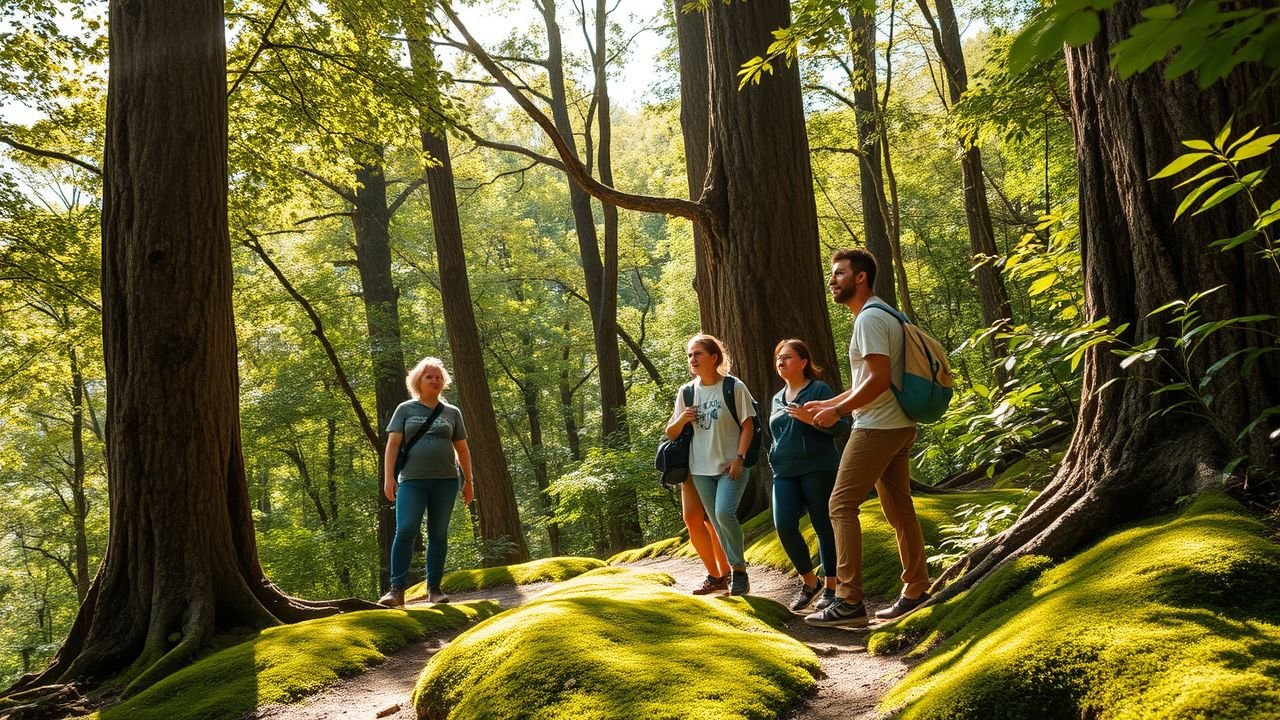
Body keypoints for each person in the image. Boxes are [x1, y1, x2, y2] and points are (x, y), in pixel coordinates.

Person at [803, 248, 931, 627]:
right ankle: (917, 588)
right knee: (899, 510)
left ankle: (848, 599)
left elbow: (876, 380)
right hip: (898, 423)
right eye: (832, 274)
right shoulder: (883, 313)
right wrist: (831, 402)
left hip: (878, 426)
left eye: (840, 273)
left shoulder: (870, 319)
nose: (833, 280)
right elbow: (873, 380)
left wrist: (839, 412)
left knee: (840, 505)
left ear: (861, 278)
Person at [665, 334, 757, 596]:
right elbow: (671, 433)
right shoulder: (687, 392)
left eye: (698, 354)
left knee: (724, 514)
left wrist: (739, 458)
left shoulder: (733, 386)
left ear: (713, 357)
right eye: (690, 355)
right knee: (716, 522)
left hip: (731, 465)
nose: (692, 359)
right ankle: (726, 575)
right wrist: (682, 419)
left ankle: (739, 570)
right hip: (700, 469)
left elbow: (748, 424)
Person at [379, 357, 474, 607]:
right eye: (429, 376)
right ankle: (396, 590)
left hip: (445, 481)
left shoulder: (452, 413)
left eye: (438, 377)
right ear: (418, 381)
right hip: (412, 480)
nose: (434, 380)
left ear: (444, 383)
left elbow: (462, 450)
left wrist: (469, 482)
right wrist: (388, 477)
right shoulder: (405, 409)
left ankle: (434, 589)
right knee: (406, 529)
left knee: (438, 534)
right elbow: (393, 445)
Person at [768, 338, 847, 612]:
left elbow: (841, 427)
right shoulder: (776, 398)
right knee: (785, 526)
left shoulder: (818, 389)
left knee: (823, 526)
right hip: (784, 472)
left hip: (818, 467)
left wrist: (809, 419)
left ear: (803, 362)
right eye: (779, 358)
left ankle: (831, 587)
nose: (781, 362)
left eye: (787, 357)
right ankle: (809, 581)